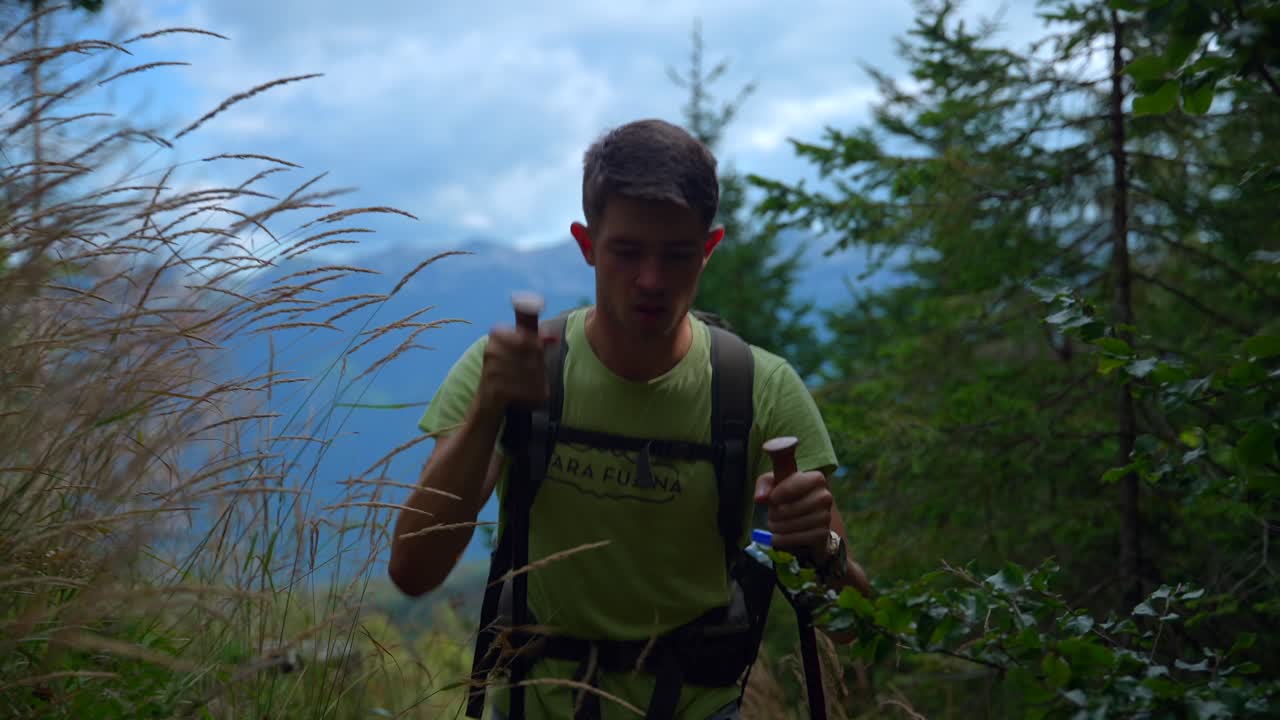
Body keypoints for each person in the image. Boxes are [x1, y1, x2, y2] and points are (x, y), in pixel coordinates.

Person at [388, 118, 871, 720]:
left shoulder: (762, 391)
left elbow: (853, 631)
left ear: (709, 248)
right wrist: (488, 412)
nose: (651, 280)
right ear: (587, 244)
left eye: (676, 255)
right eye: (627, 251)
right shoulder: (509, 372)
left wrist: (821, 547)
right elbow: (414, 571)